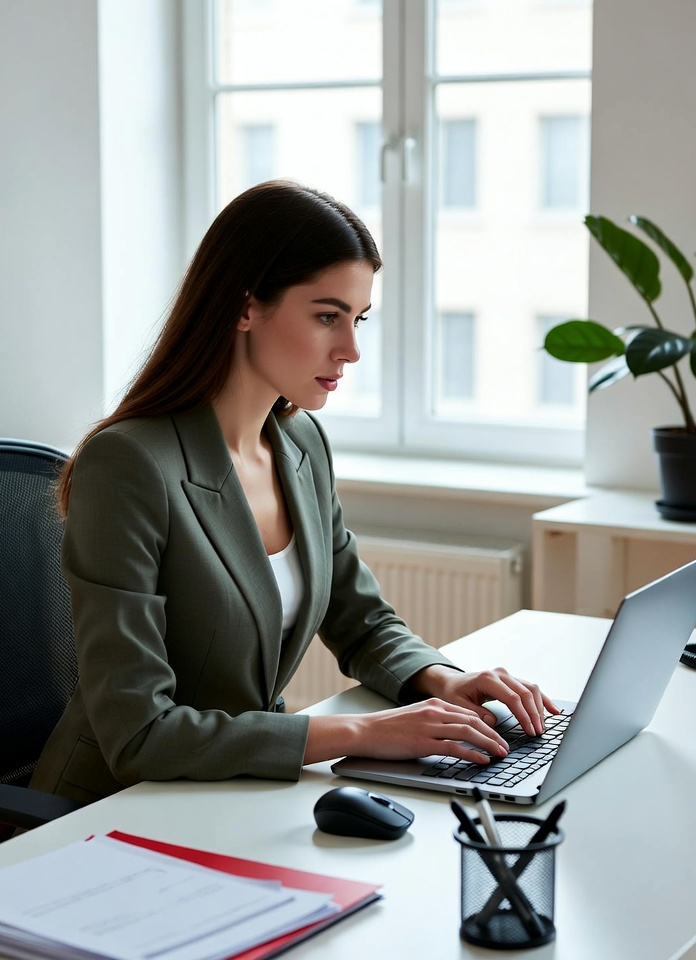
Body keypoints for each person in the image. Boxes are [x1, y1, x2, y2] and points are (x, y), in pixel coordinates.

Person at [29, 179, 558, 806]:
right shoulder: (129, 464)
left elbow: (360, 620)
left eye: (358, 319)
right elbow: (139, 733)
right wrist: (362, 731)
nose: (351, 349)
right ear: (245, 305)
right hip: (112, 810)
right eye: (327, 316)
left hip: (229, 792)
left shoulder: (300, 443)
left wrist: (443, 680)